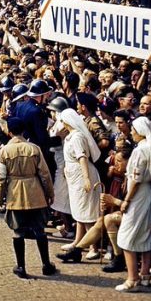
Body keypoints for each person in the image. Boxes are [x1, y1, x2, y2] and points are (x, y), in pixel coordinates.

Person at [0, 116, 57, 278]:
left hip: (15, 194)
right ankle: (46, 264)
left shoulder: (4, 151)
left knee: (18, 232)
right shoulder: (34, 149)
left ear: (9, 132)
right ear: (23, 131)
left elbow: (1, 178)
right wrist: (49, 193)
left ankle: (21, 266)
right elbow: (44, 174)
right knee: (39, 230)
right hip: (35, 192)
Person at [115, 115, 151, 291]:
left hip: (138, 196)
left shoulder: (139, 151)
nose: (133, 133)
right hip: (148, 194)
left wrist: (126, 200)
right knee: (145, 234)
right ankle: (144, 274)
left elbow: (135, 179)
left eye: (135, 130)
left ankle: (132, 278)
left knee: (127, 236)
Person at [56, 108, 105, 263]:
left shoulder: (77, 137)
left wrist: (86, 178)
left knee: (87, 212)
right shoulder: (70, 137)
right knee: (79, 211)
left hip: (81, 175)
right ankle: (78, 241)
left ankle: (93, 247)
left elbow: (82, 157)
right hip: (73, 177)